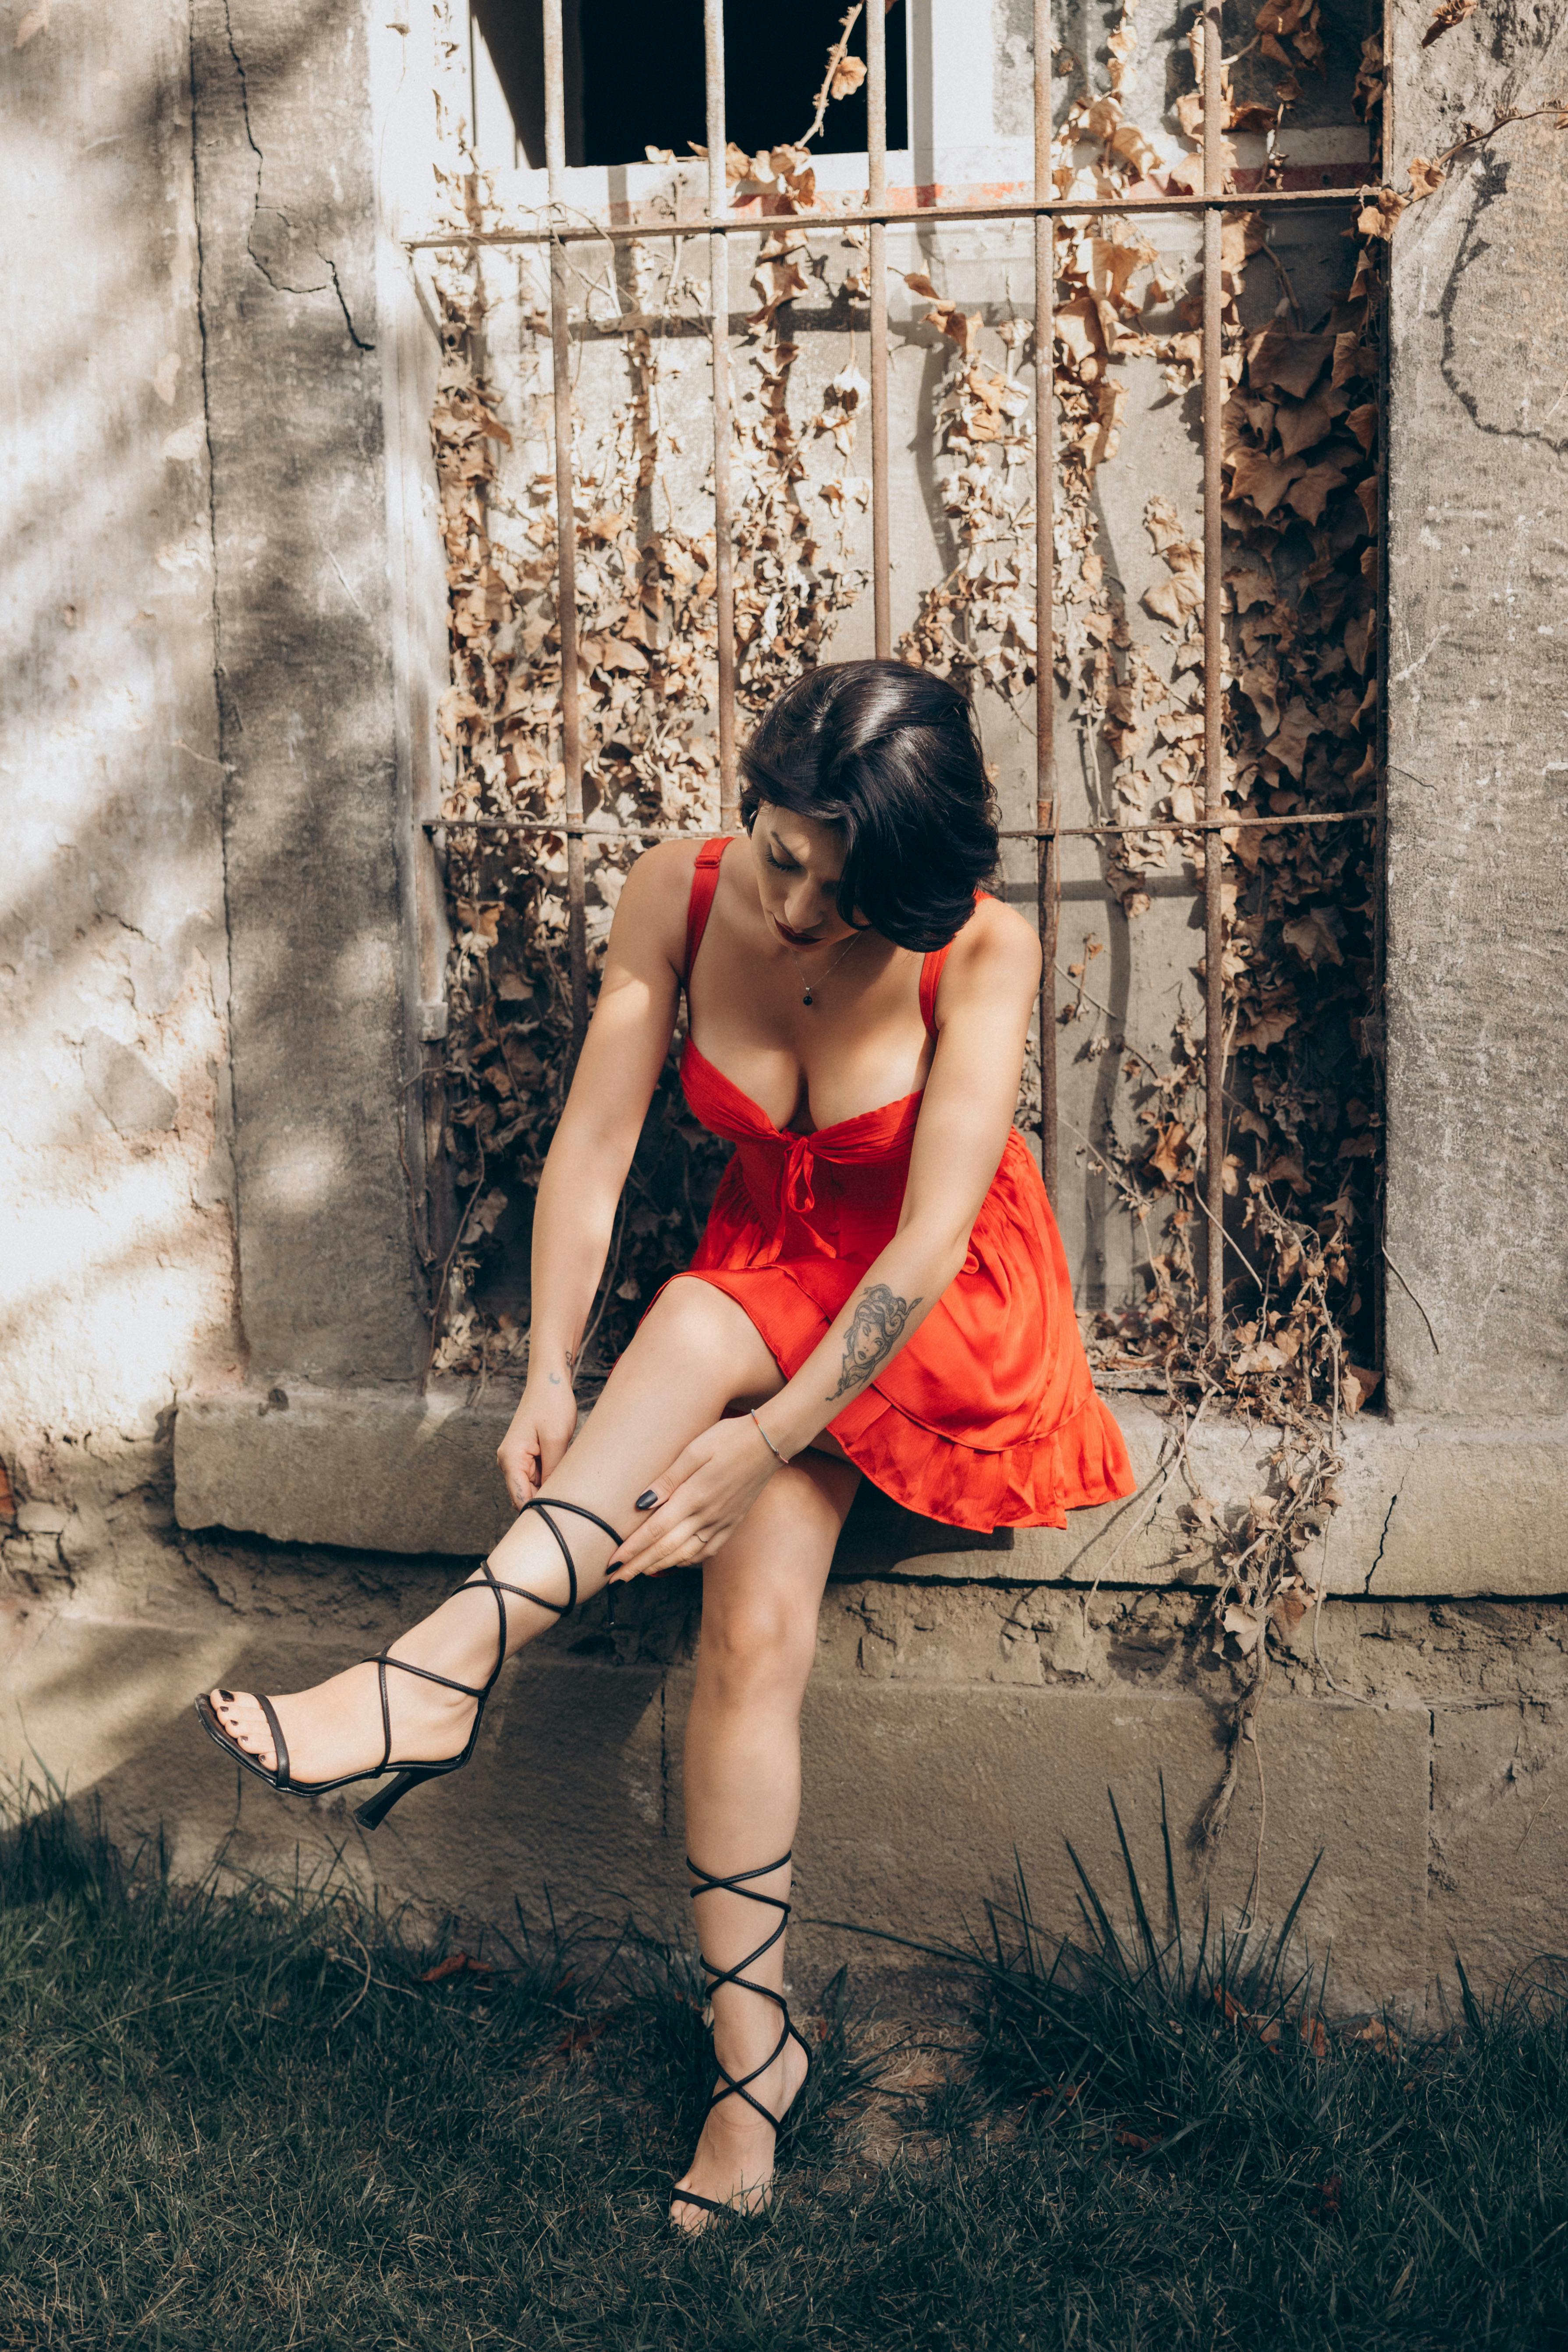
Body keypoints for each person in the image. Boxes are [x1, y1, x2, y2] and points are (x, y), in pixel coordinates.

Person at [197, 658, 1135, 2226]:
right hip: (769, 1285)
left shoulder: (984, 951)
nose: (794, 913)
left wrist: (766, 1441)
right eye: (780, 857)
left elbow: (915, 1257)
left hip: (937, 1314)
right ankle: (750, 2069)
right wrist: (549, 1369)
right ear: (750, 809)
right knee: (750, 1633)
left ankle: (431, 1677)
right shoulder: (674, 892)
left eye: (844, 896)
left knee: (703, 1330)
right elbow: (595, 1140)